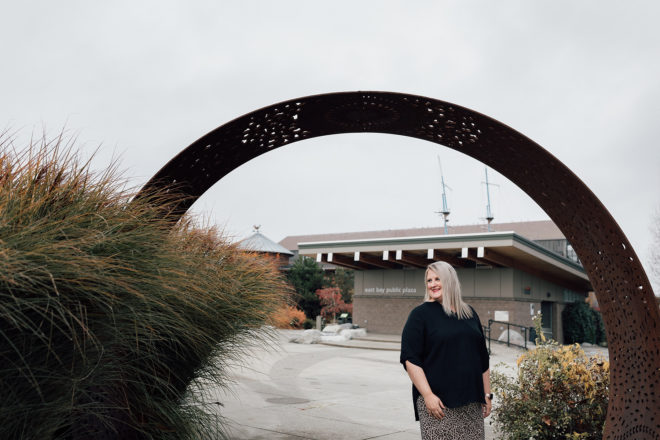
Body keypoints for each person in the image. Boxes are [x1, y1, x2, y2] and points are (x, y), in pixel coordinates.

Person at [400, 261, 491, 439]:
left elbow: (483, 359)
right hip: (438, 404)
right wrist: (427, 395)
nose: (432, 284)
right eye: (429, 280)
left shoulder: (469, 313)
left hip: (471, 403)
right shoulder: (420, 315)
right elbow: (410, 359)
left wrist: (487, 395)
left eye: (437, 279)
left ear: (450, 280)